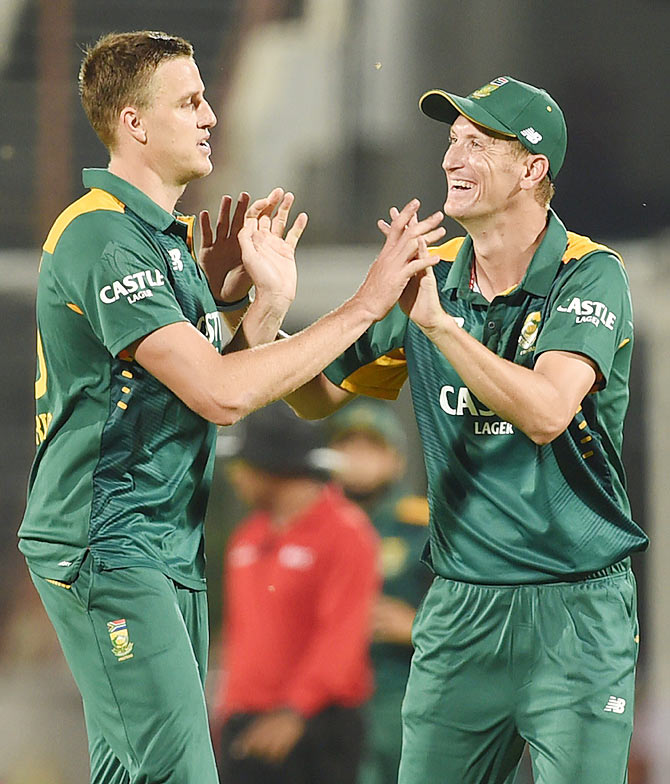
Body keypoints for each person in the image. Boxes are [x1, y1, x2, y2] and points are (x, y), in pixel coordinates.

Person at [18, 30, 444, 784]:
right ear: (134, 122)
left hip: (159, 546)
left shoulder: (168, 247)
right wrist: (363, 306)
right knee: (182, 773)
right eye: (189, 101)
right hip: (108, 545)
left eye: (207, 98)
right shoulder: (103, 236)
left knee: (130, 774)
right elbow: (219, 394)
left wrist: (261, 306)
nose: (211, 115)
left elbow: (220, 386)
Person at [285, 76, 648, 783]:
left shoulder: (590, 274)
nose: (452, 158)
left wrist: (441, 331)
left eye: (477, 143)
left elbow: (548, 412)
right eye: (451, 141)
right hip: (460, 607)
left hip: (576, 609)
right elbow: (317, 398)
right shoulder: (433, 280)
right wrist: (258, 317)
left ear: (532, 169)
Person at [214, 401, 379, 784]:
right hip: (246, 727)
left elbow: (343, 637)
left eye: (243, 465)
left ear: (272, 465)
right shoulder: (247, 537)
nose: (235, 477)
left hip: (315, 727)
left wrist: (294, 713)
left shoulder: (346, 534)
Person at [326, 399, 432, 784]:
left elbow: (470, 612)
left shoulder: (422, 525)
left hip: (401, 692)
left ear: (395, 459)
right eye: (347, 446)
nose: (357, 458)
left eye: (371, 447)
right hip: (328, 700)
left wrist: (417, 627)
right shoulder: (314, 527)